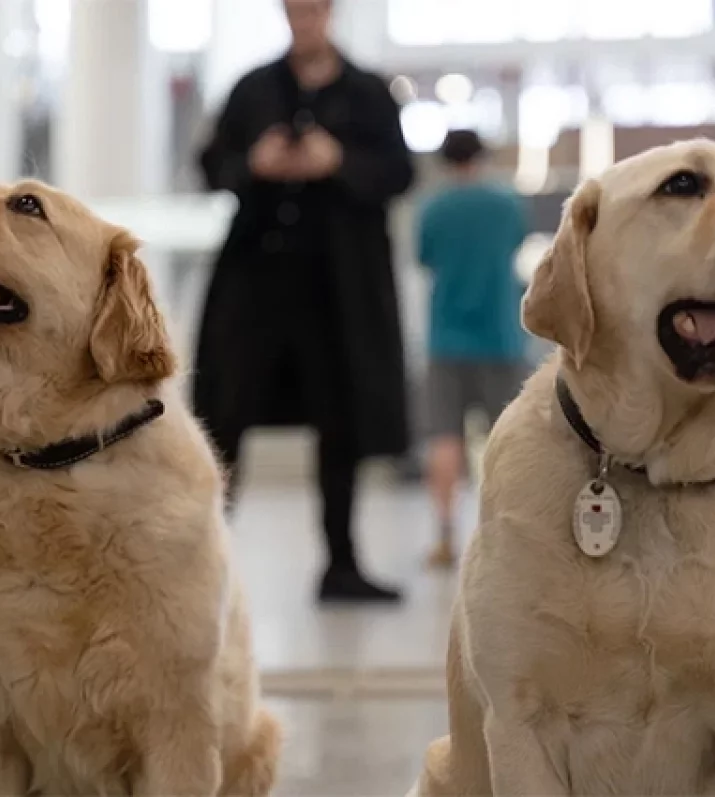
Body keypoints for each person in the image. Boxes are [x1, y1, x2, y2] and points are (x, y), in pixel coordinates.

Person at [194, 0, 414, 604]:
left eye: (314, 9)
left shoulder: (369, 93)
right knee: (224, 415)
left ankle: (341, 564)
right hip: (255, 284)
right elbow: (211, 163)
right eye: (296, 9)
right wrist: (254, 163)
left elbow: (399, 173)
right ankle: (201, 561)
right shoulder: (253, 89)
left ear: (330, 12)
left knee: (339, 417)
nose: (306, 19)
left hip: (337, 290)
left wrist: (337, 161)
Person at [417, 130, 530, 568]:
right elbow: (516, 246)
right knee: (508, 440)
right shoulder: (505, 205)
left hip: (446, 337)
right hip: (501, 336)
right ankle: (509, 533)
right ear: (481, 156)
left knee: (444, 437)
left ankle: (445, 534)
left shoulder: (435, 208)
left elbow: (424, 258)